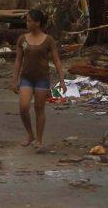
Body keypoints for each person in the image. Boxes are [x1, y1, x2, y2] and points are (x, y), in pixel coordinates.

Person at [11, 9, 65, 148]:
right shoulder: (22, 39)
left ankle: (39, 140)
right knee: (23, 107)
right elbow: (18, 60)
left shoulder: (48, 40)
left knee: (39, 108)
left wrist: (62, 80)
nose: (27, 23)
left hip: (42, 78)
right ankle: (30, 134)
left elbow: (57, 61)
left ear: (37, 23)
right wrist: (14, 79)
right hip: (26, 78)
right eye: (27, 20)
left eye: (29, 20)